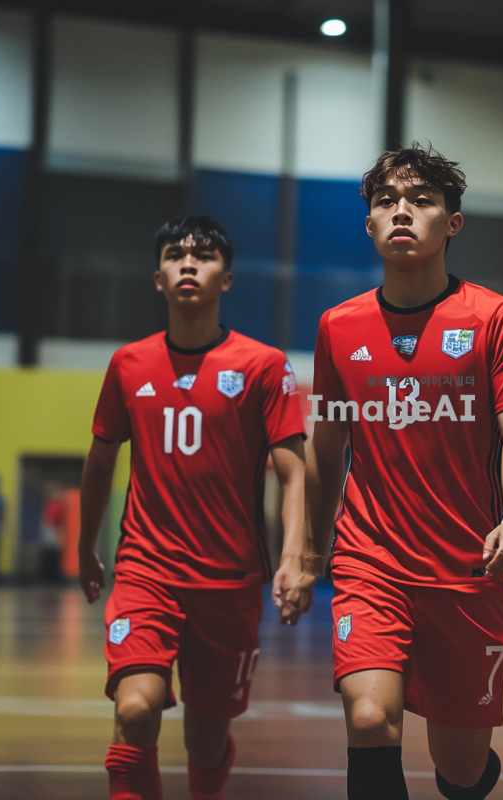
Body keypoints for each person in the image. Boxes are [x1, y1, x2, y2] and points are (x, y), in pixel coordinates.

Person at [303, 144, 503, 800]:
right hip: (370, 559)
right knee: (368, 717)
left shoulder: (497, 319)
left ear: (453, 222)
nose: (402, 212)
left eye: (421, 200)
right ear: (369, 224)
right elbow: (326, 449)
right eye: (387, 201)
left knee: (462, 770)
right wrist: (307, 553)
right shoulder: (337, 327)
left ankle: (470, 776)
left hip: (465, 569)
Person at [78, 215, 312, 800]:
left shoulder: (263, 365)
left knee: (206, 743)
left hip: (229, 581)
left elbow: (294, 472)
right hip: (145, 571)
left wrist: (293, 558)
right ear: (157, 277)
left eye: (204, 256)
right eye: (175, 255)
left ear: (226, 279)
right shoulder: (128, 364)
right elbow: (100, 461)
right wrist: (85, 546)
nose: (188, 263)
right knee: (135, 710)